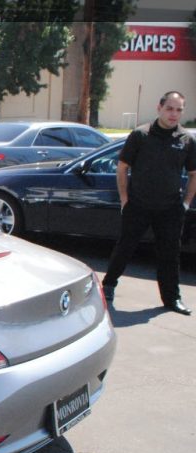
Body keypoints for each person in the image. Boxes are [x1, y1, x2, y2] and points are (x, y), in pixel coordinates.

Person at [102, 91, 196, 315]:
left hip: (170, 209)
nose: (174, 114)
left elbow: (194, 173)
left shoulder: (186, 140)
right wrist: (125, 200)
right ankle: (108, 286)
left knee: (170, 255)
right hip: (139, 206)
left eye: (179, 109)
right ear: (159, 108)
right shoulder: (141, 135)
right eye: (170, 109)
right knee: (125, 247)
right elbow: (122, 168)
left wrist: (184, 204)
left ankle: (172, 298)